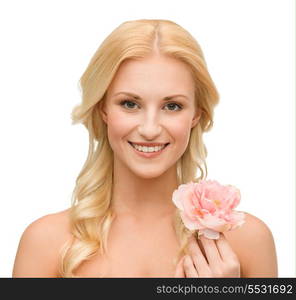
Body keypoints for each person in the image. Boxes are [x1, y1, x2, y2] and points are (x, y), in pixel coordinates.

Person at [12, 19, 278, 278]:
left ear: (196, 114)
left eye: (172, 106)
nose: (150, 129)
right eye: (130, 104)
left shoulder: (248, 242)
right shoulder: (45, 244)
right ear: (103, 108)